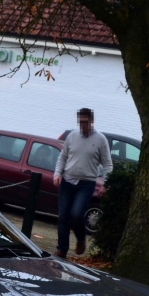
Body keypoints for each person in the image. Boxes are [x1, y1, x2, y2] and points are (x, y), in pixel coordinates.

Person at [52, 107, 112, 259]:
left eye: (86, 123)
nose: (83, 126)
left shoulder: (100, 140)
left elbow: (107, 164)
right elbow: (63, 157)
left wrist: (105, 182)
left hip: (86, 183)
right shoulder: (72, 137)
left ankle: (80, 238)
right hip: (68, 180)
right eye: (81, 123)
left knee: (77, 214)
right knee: (63, 217)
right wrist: (57, 174)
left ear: (92, 121)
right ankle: (62, 250)